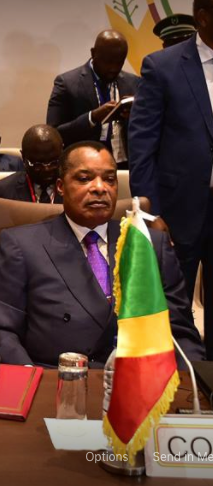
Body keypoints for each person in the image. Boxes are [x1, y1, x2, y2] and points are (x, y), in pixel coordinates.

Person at [0, 141, 205, 368]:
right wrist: (30, 379)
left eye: (109, 179)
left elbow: (181, 332)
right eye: (84, 178)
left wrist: (194, 386)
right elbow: (1, 331)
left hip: (139, 384)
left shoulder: (149, 244)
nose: (100, 188)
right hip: (55, 381)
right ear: (60, 186)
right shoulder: (20, 245)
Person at [129, 0, 213, 359]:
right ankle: (176, 387)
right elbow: (142, 144)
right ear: (204, 16)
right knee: (172, 311)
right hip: (177, 212)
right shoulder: (163, 66)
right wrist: (150, 211)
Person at [47, 30, 139, 169]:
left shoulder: (134, 83)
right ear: (93, 53)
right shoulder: (66, 83)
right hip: (84, 166)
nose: (113, 68)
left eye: (119, 62)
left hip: (127, 165)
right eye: (108, 62)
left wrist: (134, 116)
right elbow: (53, 134)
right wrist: (92, 118)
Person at [0, 124, 64, 204]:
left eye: (54, 162)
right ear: (23, 157)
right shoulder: (0, 192)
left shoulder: (75, 188)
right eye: (37, 164)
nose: (47, 169)